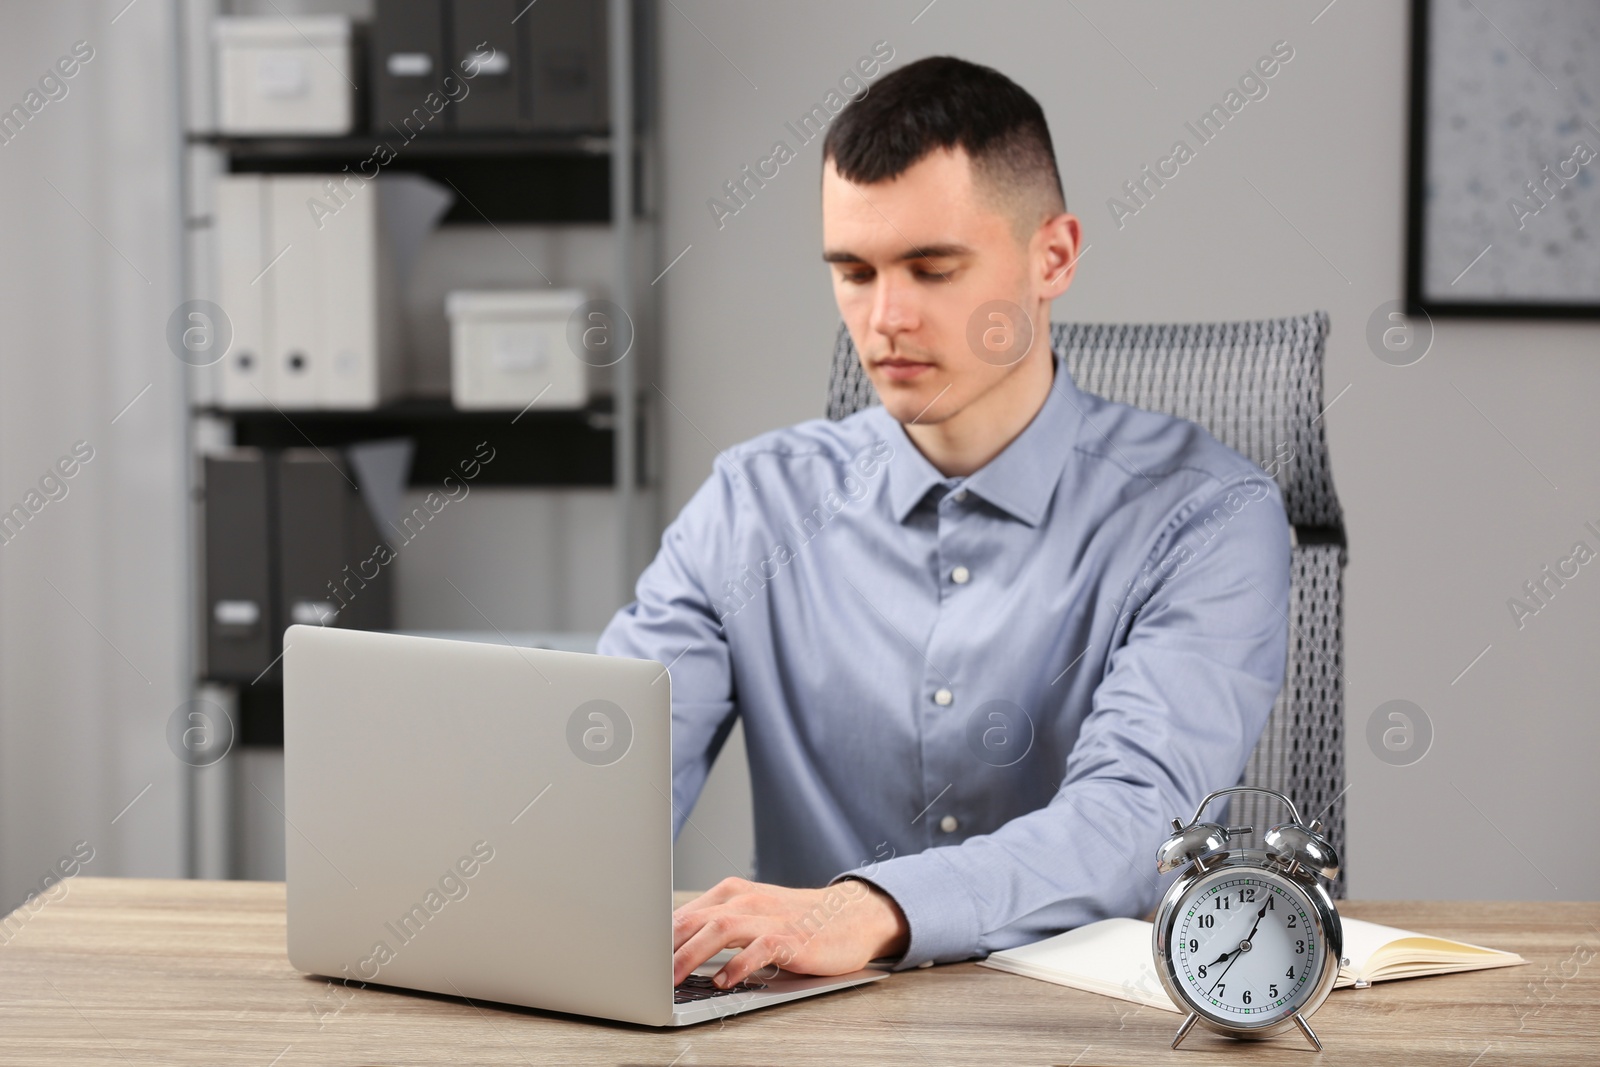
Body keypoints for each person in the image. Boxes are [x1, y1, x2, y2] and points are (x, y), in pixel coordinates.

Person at [596, 55, 1290, 991]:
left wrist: (870, 908)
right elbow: (602, 772)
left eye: (932, 268)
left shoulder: (1209, 517)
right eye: (853, 271)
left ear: (1054, 256)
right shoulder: (751, 504)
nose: (885, 318)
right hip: (804, 1032)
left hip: (1085, 1034)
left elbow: (1137, 820)